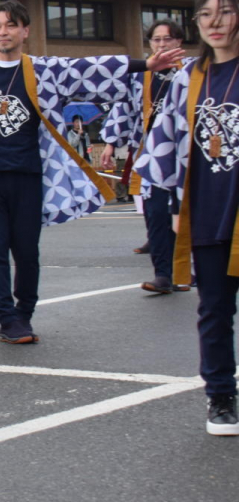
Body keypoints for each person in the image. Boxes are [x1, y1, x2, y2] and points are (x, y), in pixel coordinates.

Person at [0, 0, 183, 345]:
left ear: (25, 31)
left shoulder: (44, 71)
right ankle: (6, 319)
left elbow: (92, 68)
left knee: (27, 251)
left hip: (29, 175)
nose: (3, 32)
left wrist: (145, 64)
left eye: (11, 25)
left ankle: (24, 313)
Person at [136, 0, 239, 436]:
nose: (215, 23)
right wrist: (175, 203)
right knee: (213, 309)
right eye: (205, 14)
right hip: (208, 210)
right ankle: (220, 397)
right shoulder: (187, 78)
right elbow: (166, 143)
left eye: (226, 12)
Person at [102, 18, 188, 295]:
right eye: (156, 40)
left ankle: (186, 271)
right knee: (155, 215)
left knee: (187, 215)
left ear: (179, 42)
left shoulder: (193, 71)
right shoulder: (140, 75)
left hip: (187, 157)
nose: (162, 44)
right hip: (152, 156)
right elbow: (123, 108)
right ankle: (163, 274)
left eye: (168, 39)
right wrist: (111, 144)